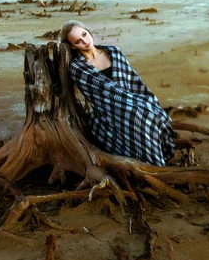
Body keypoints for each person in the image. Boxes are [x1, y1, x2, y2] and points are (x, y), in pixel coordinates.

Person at [59, 20, 175, 166]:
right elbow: (101, 97)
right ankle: (154, 164)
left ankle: (157, 157)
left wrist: (141, 102)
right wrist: (134, 106)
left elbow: (134, 81)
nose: (85, 41)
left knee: (150, 113)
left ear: (89, 31)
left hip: (133, 101)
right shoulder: (78, 67)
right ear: (72, 46)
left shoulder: (114, 52)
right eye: (78, 41)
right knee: (140, 117)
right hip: (108, 112)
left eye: (85, 34)